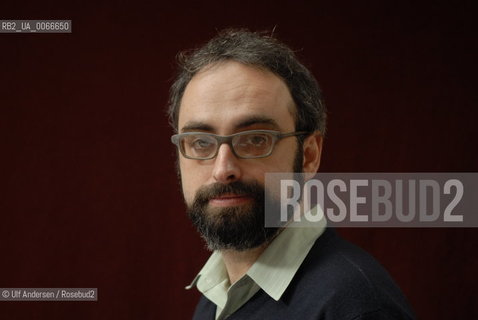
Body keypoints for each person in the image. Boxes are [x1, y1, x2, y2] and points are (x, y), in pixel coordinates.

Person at [168, 29, 415, 320]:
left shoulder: (355, 308)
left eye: (256, 139)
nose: (223, 170)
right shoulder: (215, 299)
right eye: (200, 142)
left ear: (309, 155)